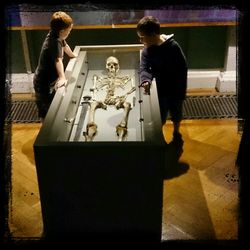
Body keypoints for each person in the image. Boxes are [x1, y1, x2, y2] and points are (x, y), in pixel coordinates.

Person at [137, 16, 187, 142]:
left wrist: (181, 91)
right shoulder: (147, 51)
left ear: (153, 34)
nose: (140, 40)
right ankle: (160, 138)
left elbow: (182, 69)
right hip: (160, 90)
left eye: (142, 37)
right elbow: (144, 68)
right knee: (160, 116)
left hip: (175, 89)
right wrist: (145, 80)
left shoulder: (173, 47)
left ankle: (176, 133)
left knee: (176, 114)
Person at [33, 11, 77, 121]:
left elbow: (65, 45)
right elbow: (58, 60)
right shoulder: (53, 42)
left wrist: (73, 55)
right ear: (62, 31)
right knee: (45, 108)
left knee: (51, 104)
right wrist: (62, 77)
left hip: (50, 80)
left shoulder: (57, 35)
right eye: (68, 31)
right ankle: (45, 129)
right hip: (42, 82)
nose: (69, 33)